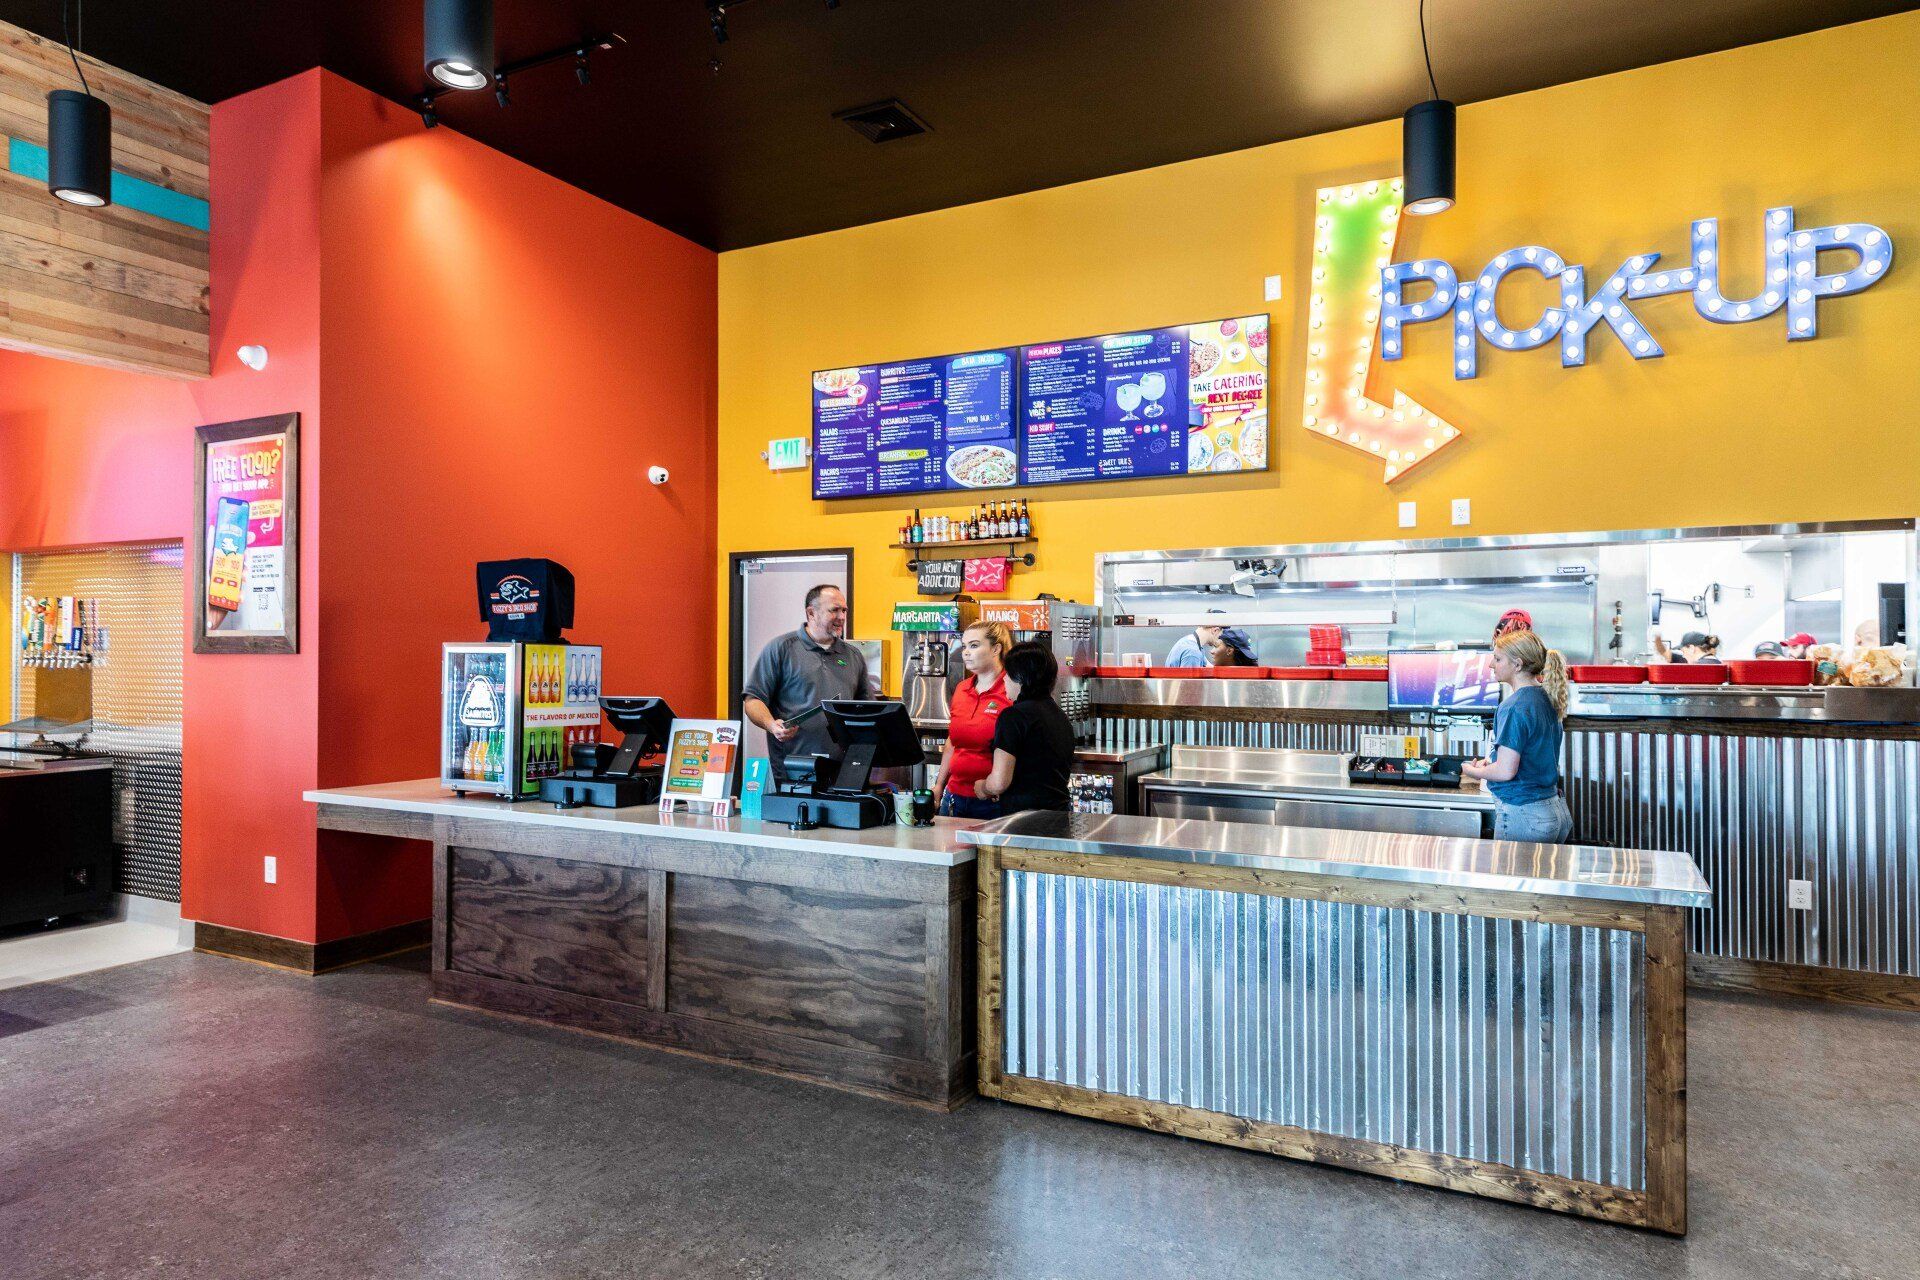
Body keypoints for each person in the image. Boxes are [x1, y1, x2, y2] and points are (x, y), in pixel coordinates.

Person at [741, 584, 869, 779]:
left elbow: (867, 710)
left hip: (843, 771)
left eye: (844, 610)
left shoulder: (853, 656)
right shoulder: (781, 649)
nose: (842, 617)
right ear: (811, 613)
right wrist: (772, 725)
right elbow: (752, 701)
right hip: (792, 770)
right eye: (834, 610)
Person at [1461, 629, 1573, 843]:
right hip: (1553, 810)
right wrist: (1490, 763)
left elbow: (1505, 771)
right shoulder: (1546, 698)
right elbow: (1531, 755)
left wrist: (1474, 772)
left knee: (1510, 876)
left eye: (1497, 658)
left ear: (1518, 664)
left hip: (1525, 814)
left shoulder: (1513, 707)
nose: (1491, 665)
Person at [972, 642, 1076, 815]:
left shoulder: (1013, 716)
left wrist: (983, 788)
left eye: (1008, 674)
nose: (1004, 679)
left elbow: (999, 782)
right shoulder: (1060, 716)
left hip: (1022, 821)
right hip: (1059, 815)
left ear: (1021, 678)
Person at [933, 620, 1013, 819]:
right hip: (954, 796)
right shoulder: (962, 688)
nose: (966, 652)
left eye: (974, 646)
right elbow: (953, 741)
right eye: (964, 646)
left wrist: (996, 787)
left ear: (996, 649)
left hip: (992, 801)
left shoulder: (1011, 689)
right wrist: (939, 786)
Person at [1654, 631, 1721, 664]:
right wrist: (1658, 641)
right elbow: (1666, 654)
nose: (1683, 656)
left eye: (1683, 651)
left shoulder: (1701, 667)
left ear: (1691, 648)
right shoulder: (1714, 661)